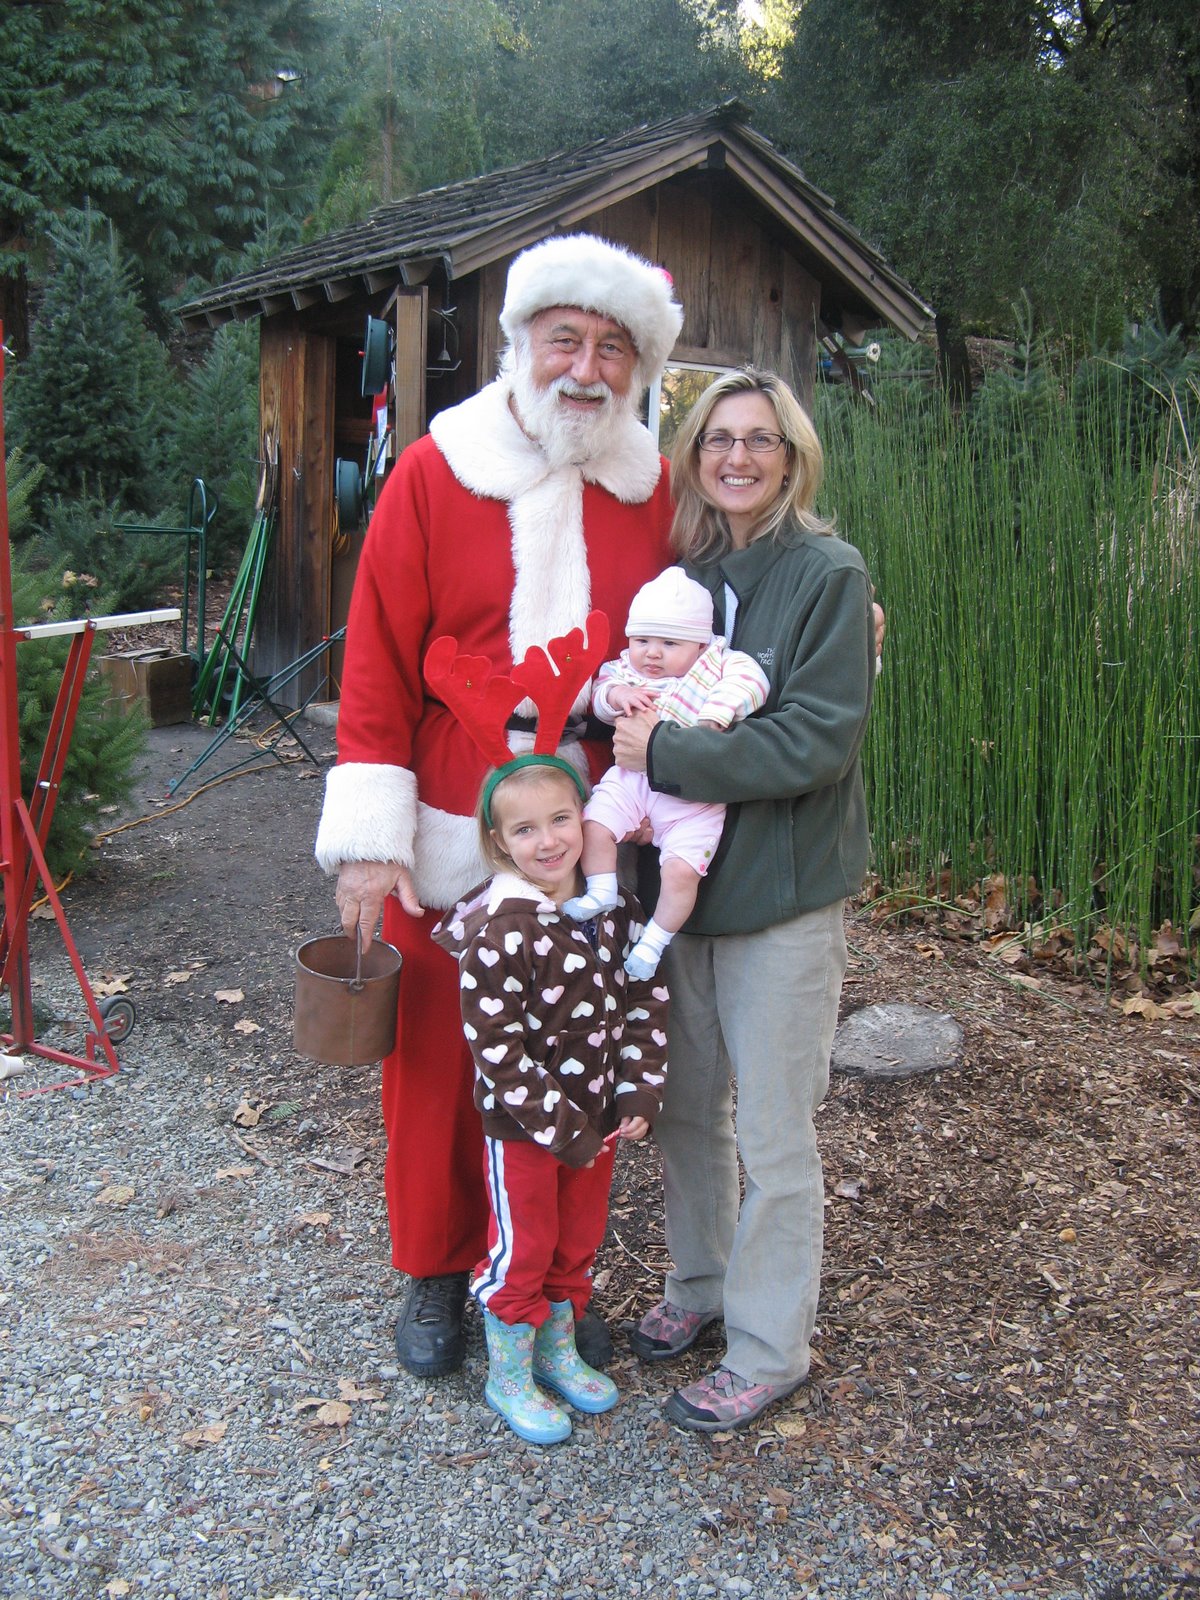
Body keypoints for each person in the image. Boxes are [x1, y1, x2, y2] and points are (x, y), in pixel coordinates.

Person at [314, 234, 683, 1379]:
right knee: (435, 1056)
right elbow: (375, 653)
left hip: (584, 821)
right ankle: (435, 1267)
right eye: (565, 338)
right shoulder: (437, 469)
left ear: (638, 367)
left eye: (612, 346)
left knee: (572, 1046)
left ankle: (550, 1283)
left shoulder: (649, 488)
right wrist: (372, 843)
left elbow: (708, 608)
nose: (586, 366)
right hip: (443, 808)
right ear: (522, 344)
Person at [614, 366, 876, 1432]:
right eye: (718, 437)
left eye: (760, 439)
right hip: (685, 898)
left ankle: (770, 1345)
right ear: (693, 454)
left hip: (781, 893)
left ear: (793, 454)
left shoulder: (827, 571)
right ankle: (701, 1286)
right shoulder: (685, 575)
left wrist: (665, 751)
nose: (737, 456)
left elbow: (819, 737)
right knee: (684, 1113)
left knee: (772, 1130)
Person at [430, 700, 668, 1442]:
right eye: (525, 830)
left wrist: (636, 1085)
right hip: (528, 1128)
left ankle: (558, 1349)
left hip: (597, 1119)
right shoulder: (499, 931)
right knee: (524, 1244)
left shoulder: (611, 909)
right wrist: (562, 1128)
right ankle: (509, 1372)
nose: (548, 841)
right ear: (498, 842)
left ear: (587, 819)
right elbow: (496, 1048)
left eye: (561, 820)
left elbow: (645, 997)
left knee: (577, 1237)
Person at [563, 567, 769, 978]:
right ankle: (601, 889)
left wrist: (714, 715)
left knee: (681, 872)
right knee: (594, 822)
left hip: (694, 798)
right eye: (641, 641)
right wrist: (619, 693)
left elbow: (754, 682)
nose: (651, 654)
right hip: (633, 781)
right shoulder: (629, 670)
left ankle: (655, 941)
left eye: (668, 643)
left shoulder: (718, 663)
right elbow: (601, 691)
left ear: (700, 643)